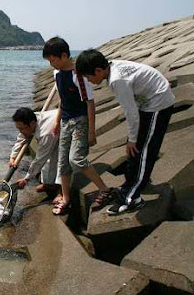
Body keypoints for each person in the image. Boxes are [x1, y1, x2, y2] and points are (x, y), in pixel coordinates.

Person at [75, 49, 175, 215]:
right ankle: (133, 182)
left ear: (98, 70)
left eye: (88, 77)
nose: (89, 81)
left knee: (143, 150)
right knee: (135, 148)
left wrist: (132, 139)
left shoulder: (117, 80)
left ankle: (132, 198)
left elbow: (131, 113)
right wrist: (132, 139)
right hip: (149, 100)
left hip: (158, 103)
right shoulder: (112, 67)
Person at [42, 37, 113, 215]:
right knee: (63, 163)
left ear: (64, 55)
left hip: (80, 121)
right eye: (49, 61)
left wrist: (91, 132)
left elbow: (90, 103)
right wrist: (57, 121)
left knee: (77, 159)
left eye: (53, 60)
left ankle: (104, 189)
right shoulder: (56, 74)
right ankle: (66, 198)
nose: (52, 65)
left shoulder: (78, 76)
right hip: (65, 122)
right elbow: (63, 101)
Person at [10, 107, 62, 203]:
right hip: (54, 128)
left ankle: (61, 192)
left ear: (32, 124)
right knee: (49, 158)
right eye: (18, 129)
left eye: (22, 128)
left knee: (61, 158)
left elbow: (40, 159)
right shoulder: (33, 119)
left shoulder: (45, 133)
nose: (20, 131)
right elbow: (21, 137)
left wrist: (26, 179)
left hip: (68, 127)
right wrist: (13, 156)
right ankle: (49, 184)